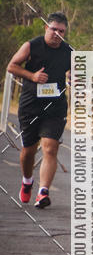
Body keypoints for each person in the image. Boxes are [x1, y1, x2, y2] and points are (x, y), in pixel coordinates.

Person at [7, 12, 72, 208]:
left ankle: (43, 192)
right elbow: (12, 66)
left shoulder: (69, 51)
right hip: (31, 104)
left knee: (50, 148)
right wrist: (32, 76)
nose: (57, 34)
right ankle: (27, 182)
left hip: (55, 106)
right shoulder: (32, 45)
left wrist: (73, 79)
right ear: (46, 28)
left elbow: (73, 73)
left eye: (61, 31)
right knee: (29, 150)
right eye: (54, 29)